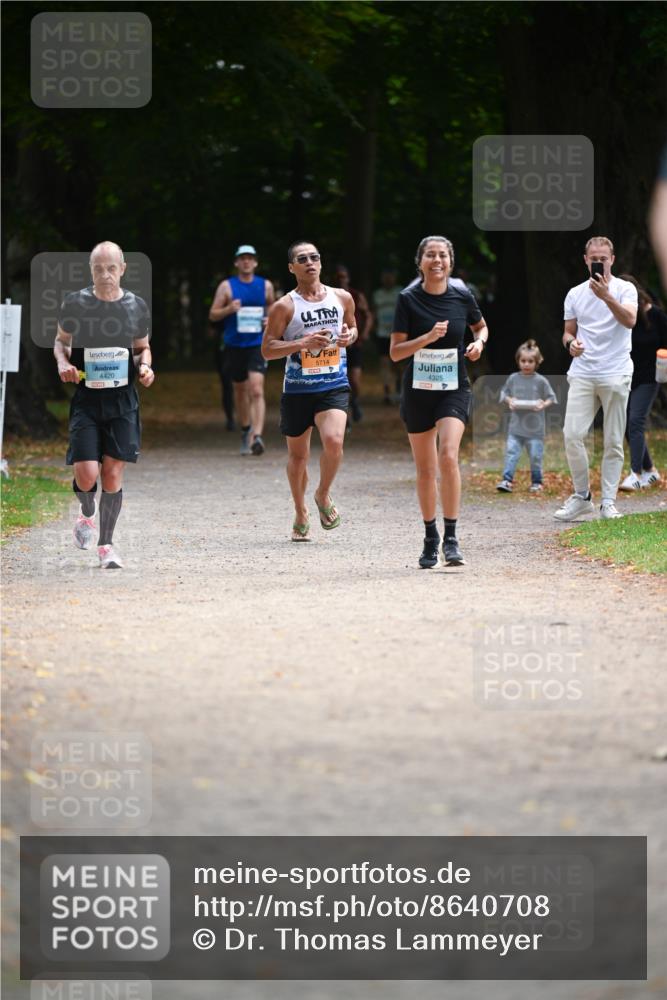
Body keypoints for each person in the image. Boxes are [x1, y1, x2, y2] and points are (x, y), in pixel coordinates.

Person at [54, 241, 155, 570]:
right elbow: (60, 342)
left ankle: (106, 545)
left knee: (112, 474)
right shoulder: (76, 303)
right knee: (87, 475)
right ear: (91, 270)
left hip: (123, 400)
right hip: (87, 399)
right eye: (99, 268)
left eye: (112, 268)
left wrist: (145, 367)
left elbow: (143, 347)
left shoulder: (135, 306)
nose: (106, 274)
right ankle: (86, 513)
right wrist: (62, 364)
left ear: (123, 269)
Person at [390, 235, 488, 568]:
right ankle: (430, 536)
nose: (437, 260)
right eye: (430, 255)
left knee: (448, 455)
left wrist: (479, 344)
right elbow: (395, 352)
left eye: (442, 255)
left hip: (454, 387)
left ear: (450, 261)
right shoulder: (408, 299)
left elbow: (481, 327)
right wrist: (427, 338)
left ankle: (452, 538)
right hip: (418, 390)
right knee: (425, 468)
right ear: (420, 262)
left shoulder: (462, 296)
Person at [262, 241, 358, 541]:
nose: (310, 262)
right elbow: (267, 349)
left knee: (334, 440)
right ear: (292, 268)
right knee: (299, 457)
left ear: (321, 263)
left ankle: (322, 494)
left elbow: (353, 328)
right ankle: (301, 510)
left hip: (333, 384)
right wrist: (302, 343)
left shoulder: (341, 297)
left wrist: (347, 337)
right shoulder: (284, 306)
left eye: (314, 257)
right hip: (298, 389)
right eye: (302, 259)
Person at [554, 237, 638, 521]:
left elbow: (630, 320)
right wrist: (570, 344)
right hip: (583, 372)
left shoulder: (625, 289)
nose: (598, 262)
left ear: (612, 259)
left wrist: (607, 296)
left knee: (613, 440)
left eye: (603, 258)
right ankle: (582, 497)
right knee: (572, 435)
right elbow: (568, 332)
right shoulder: (575, 293)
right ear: (585, 260)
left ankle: (609, 502)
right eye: (593, 258)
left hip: (616, 372)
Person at [209, 245, 275, 455]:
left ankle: (257, 436)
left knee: (256, 388)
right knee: (240, 389)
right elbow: (213, 314)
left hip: (257, 343)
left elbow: (274, 307)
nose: (246, 262)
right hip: (234, 345)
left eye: (250, 258)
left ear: (255, 262)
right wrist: (229, 309)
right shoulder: (227, 286)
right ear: (237, 263)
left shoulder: (265, 285)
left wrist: (270, 319)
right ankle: (246, 429)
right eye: (242, 258)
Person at [617, 275, 667, 490]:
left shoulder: (656, 316)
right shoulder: (622, 317)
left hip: (650, 377)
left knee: (635, 420)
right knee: (627, 425)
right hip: (627, 376)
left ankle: (635, 474)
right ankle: (652, 472)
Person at [496, 339, 556, 493]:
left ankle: (537, 482)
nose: (526, 364)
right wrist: (510, 400)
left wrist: (543, 404)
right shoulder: (513, 378)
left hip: (535, 430)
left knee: (536, 457)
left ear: (537, 362)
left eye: (530, 361)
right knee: (511, 454)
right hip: (515, 429)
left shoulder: (541, 380)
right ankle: (507, 480)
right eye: (523, 361)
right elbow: (503, 393)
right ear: (518, 361)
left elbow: (551, 397)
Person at [333, 265, 373, 423]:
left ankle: (354, 401)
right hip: (335, 345)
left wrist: (363, 334)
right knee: (339, 380)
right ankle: (344, 413)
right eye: (338, 277)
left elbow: (368, 315)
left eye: (343, 276)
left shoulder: (356, 295)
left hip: (354, 343)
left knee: (354, 380)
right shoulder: (328, 296)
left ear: (348, 278)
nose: (341, 279)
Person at [372, 268, 402, 404]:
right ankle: (387, 393)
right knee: (384, 364)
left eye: (390, 277)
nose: (388, 280)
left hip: (398, 334)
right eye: (385, 277)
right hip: (382, 334)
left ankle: (399, 390)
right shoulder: (377, 294)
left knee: (397, 364)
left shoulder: (400, 293)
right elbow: (374, 313)